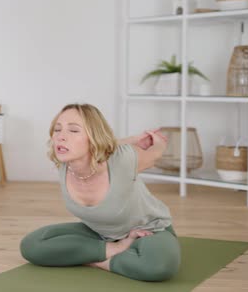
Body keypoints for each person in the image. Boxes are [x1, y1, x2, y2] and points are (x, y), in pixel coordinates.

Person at [20, 103, 180, 281]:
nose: (61, 137)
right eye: (57, 130)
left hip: (148, 230)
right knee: (32, 245)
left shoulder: (121, 161)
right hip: (99, 233)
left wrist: (158, 142)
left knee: (159, 266)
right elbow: (103, 144)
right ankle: (114, 250)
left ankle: (98, 260)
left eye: (73, 131)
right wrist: (133, 138)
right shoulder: (65, 162)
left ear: (93, 137)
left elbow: (154, 154)